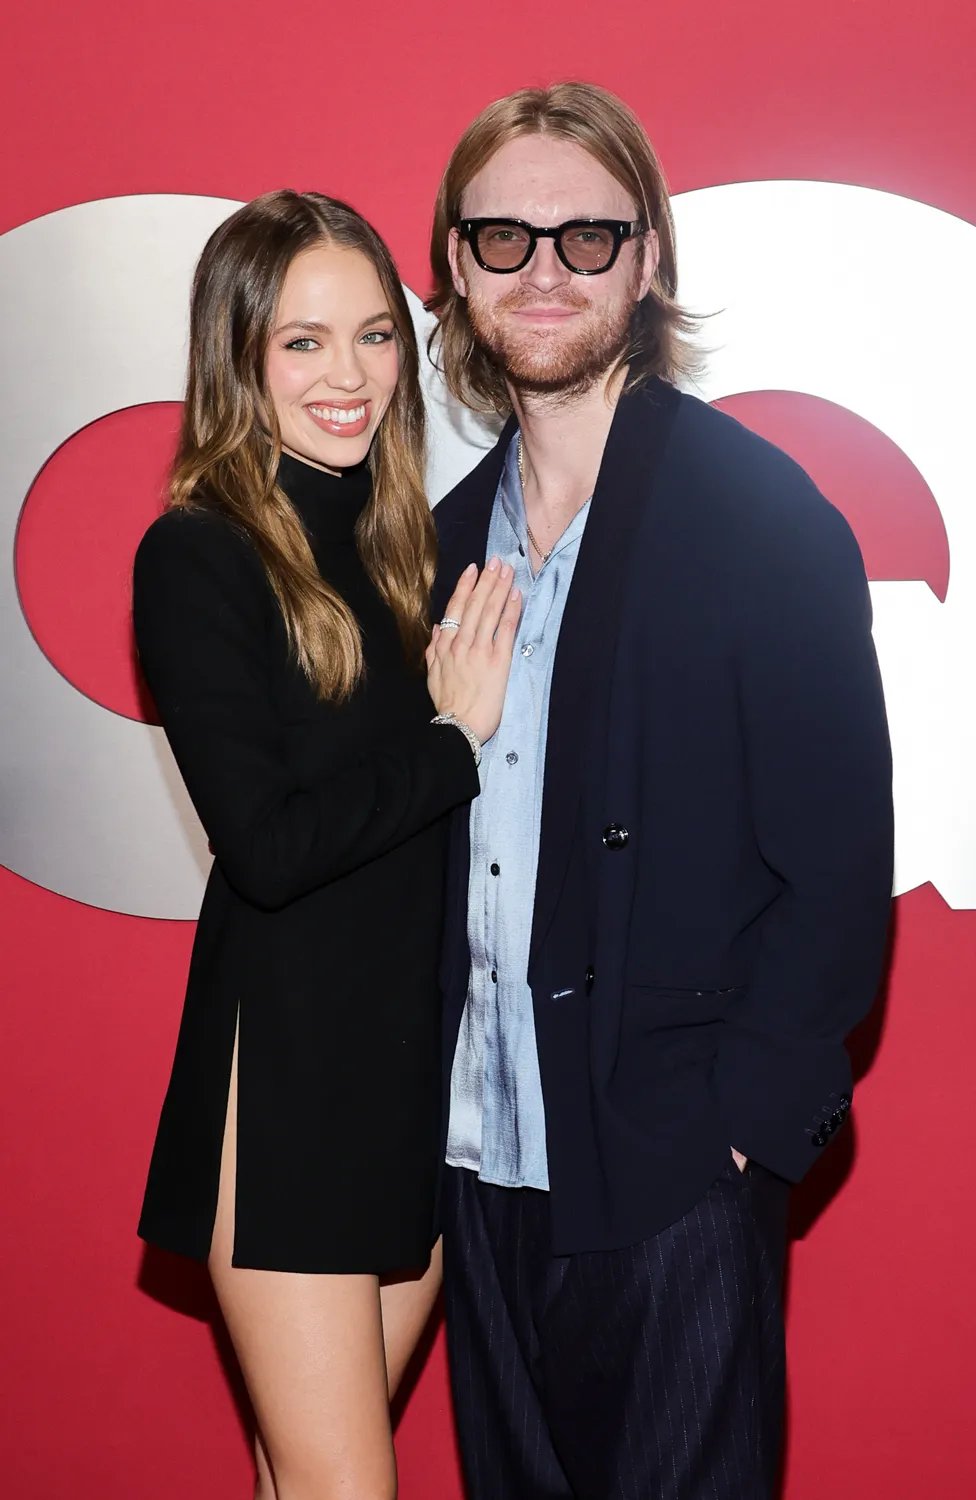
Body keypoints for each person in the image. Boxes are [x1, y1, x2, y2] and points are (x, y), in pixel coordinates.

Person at [427, 83, 894, 1499]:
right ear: (454, 265)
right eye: (506, 239)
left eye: (589, 237)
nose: (547, 272)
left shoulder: (760, 516)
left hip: (674, 1168)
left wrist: (744, 1138)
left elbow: (835, 871)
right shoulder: (440, 544)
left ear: (648, 261)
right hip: (476, 1160)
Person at [133, 189, 520, 1500]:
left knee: (307, 1481)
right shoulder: (199, 555)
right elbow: (269, 848)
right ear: (237, 355)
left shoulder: (408, 547)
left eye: (371, 336)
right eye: (303, 342)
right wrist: (452, 742)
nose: (349, 377)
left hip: (414, 1073)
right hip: (291, 1079)